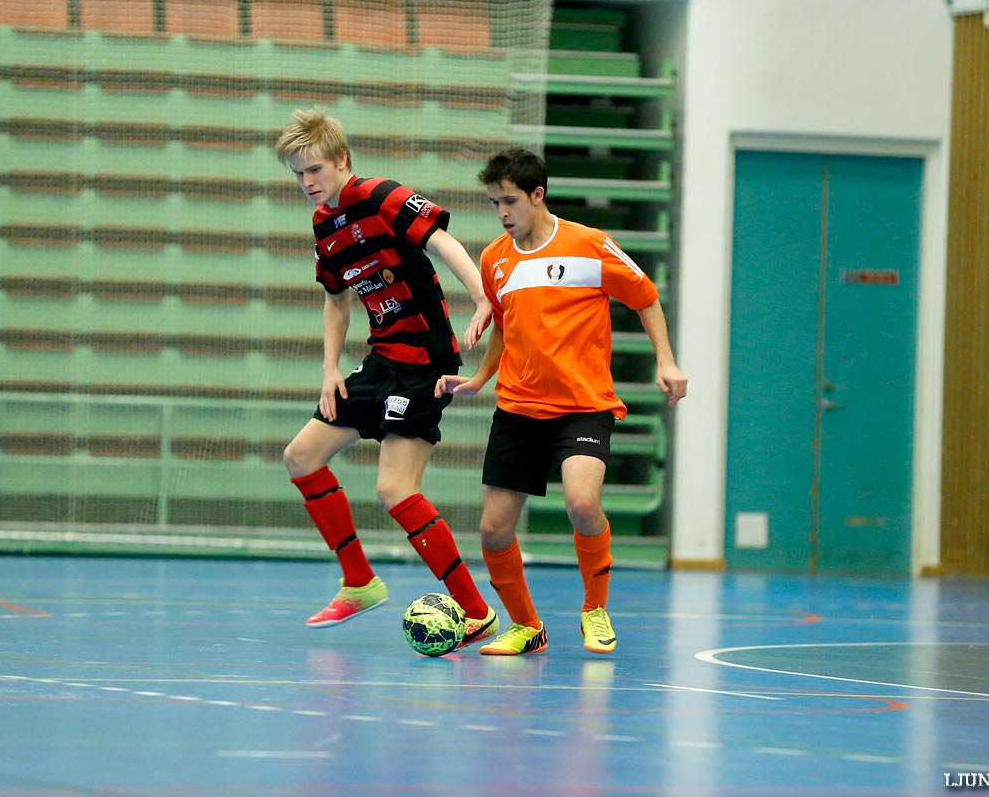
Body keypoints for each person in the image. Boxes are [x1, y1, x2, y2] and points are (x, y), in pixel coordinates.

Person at [437, 147, 687, 656]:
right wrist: (481, 378)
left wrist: (666, 361)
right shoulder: (494, 260)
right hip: (518, 408)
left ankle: (594, 609)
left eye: (510, 201)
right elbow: (506, 329)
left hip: (582, 404)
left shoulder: (590, 246)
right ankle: (526, 627)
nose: (502, 213)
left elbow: (645, 296)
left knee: (582, 501)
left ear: (538, 195)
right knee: (492, 528)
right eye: (493, 204)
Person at [273, 108, 500, 647]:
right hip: (380, 360)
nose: (307, 182)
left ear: (341, 161)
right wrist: (329, 368)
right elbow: (336, 301)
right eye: (297, 173)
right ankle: (358, 582)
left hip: (424, 361)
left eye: (315, 170)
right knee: (300, 457)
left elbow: (445, 244)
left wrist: (482, 297)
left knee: (394, 488)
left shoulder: (381, 196)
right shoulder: (323, 225)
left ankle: (476, 612)